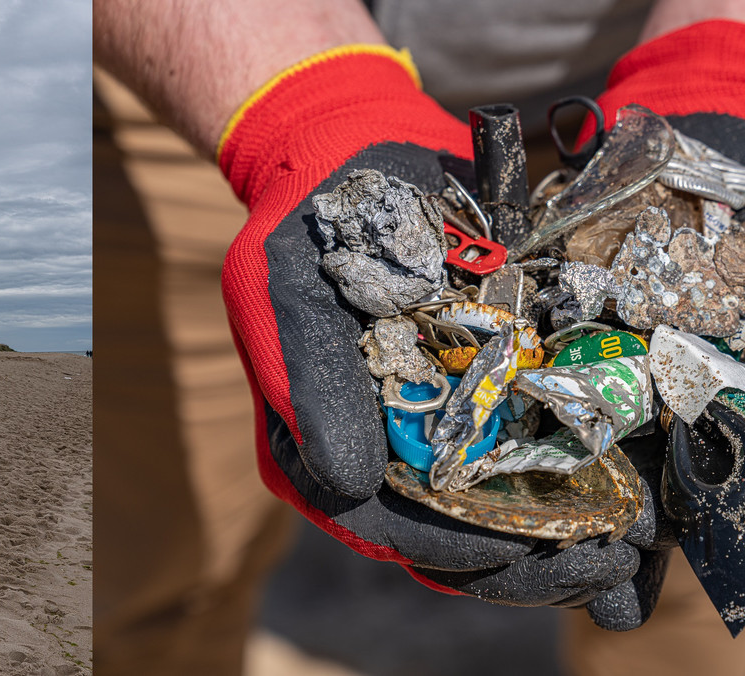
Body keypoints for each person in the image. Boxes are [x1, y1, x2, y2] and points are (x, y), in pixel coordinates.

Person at [94, 1, 745, 674]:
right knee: (163, 564)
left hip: (649, 100)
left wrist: (720, 66)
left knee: (701, 544)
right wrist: (314, 100)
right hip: (209, 77)